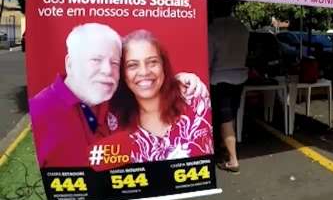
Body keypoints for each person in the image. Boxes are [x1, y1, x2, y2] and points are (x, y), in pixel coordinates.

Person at [109, 30, 213, 162]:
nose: (144, 72)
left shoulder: (193, 99)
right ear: (122, 73)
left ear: (163, 66)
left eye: (152, 62)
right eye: (132, 65)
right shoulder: (113, 122)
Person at [30, 23, 122, 168]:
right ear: (70, 64)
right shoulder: (38, 112)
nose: (108, 70)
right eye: (96, 60)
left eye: (115, 62)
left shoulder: (118, 105)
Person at [208, 0, 249, 173]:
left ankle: (233, 159)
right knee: (230, 115)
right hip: (240, 76)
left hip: (220, 77)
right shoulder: (242, 27)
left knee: (224, 118)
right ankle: (224, 146)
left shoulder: (213, 29)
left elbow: (208, 57)